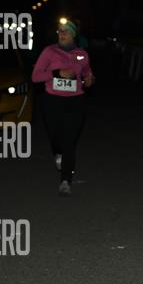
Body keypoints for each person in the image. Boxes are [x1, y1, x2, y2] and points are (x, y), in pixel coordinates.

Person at [31, 19, 95, 195]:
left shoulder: (82, 54)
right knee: (55, 135)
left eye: (66, 31)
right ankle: (57, 152)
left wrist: (89, 79)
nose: (62, 34)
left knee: (70, 140)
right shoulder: (49, 52)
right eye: (59, 31)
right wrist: (57, 73)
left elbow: (87, 72)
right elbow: (35, 76)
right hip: (52, 101)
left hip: (76, 101)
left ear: (73, 34)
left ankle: (65, 181)